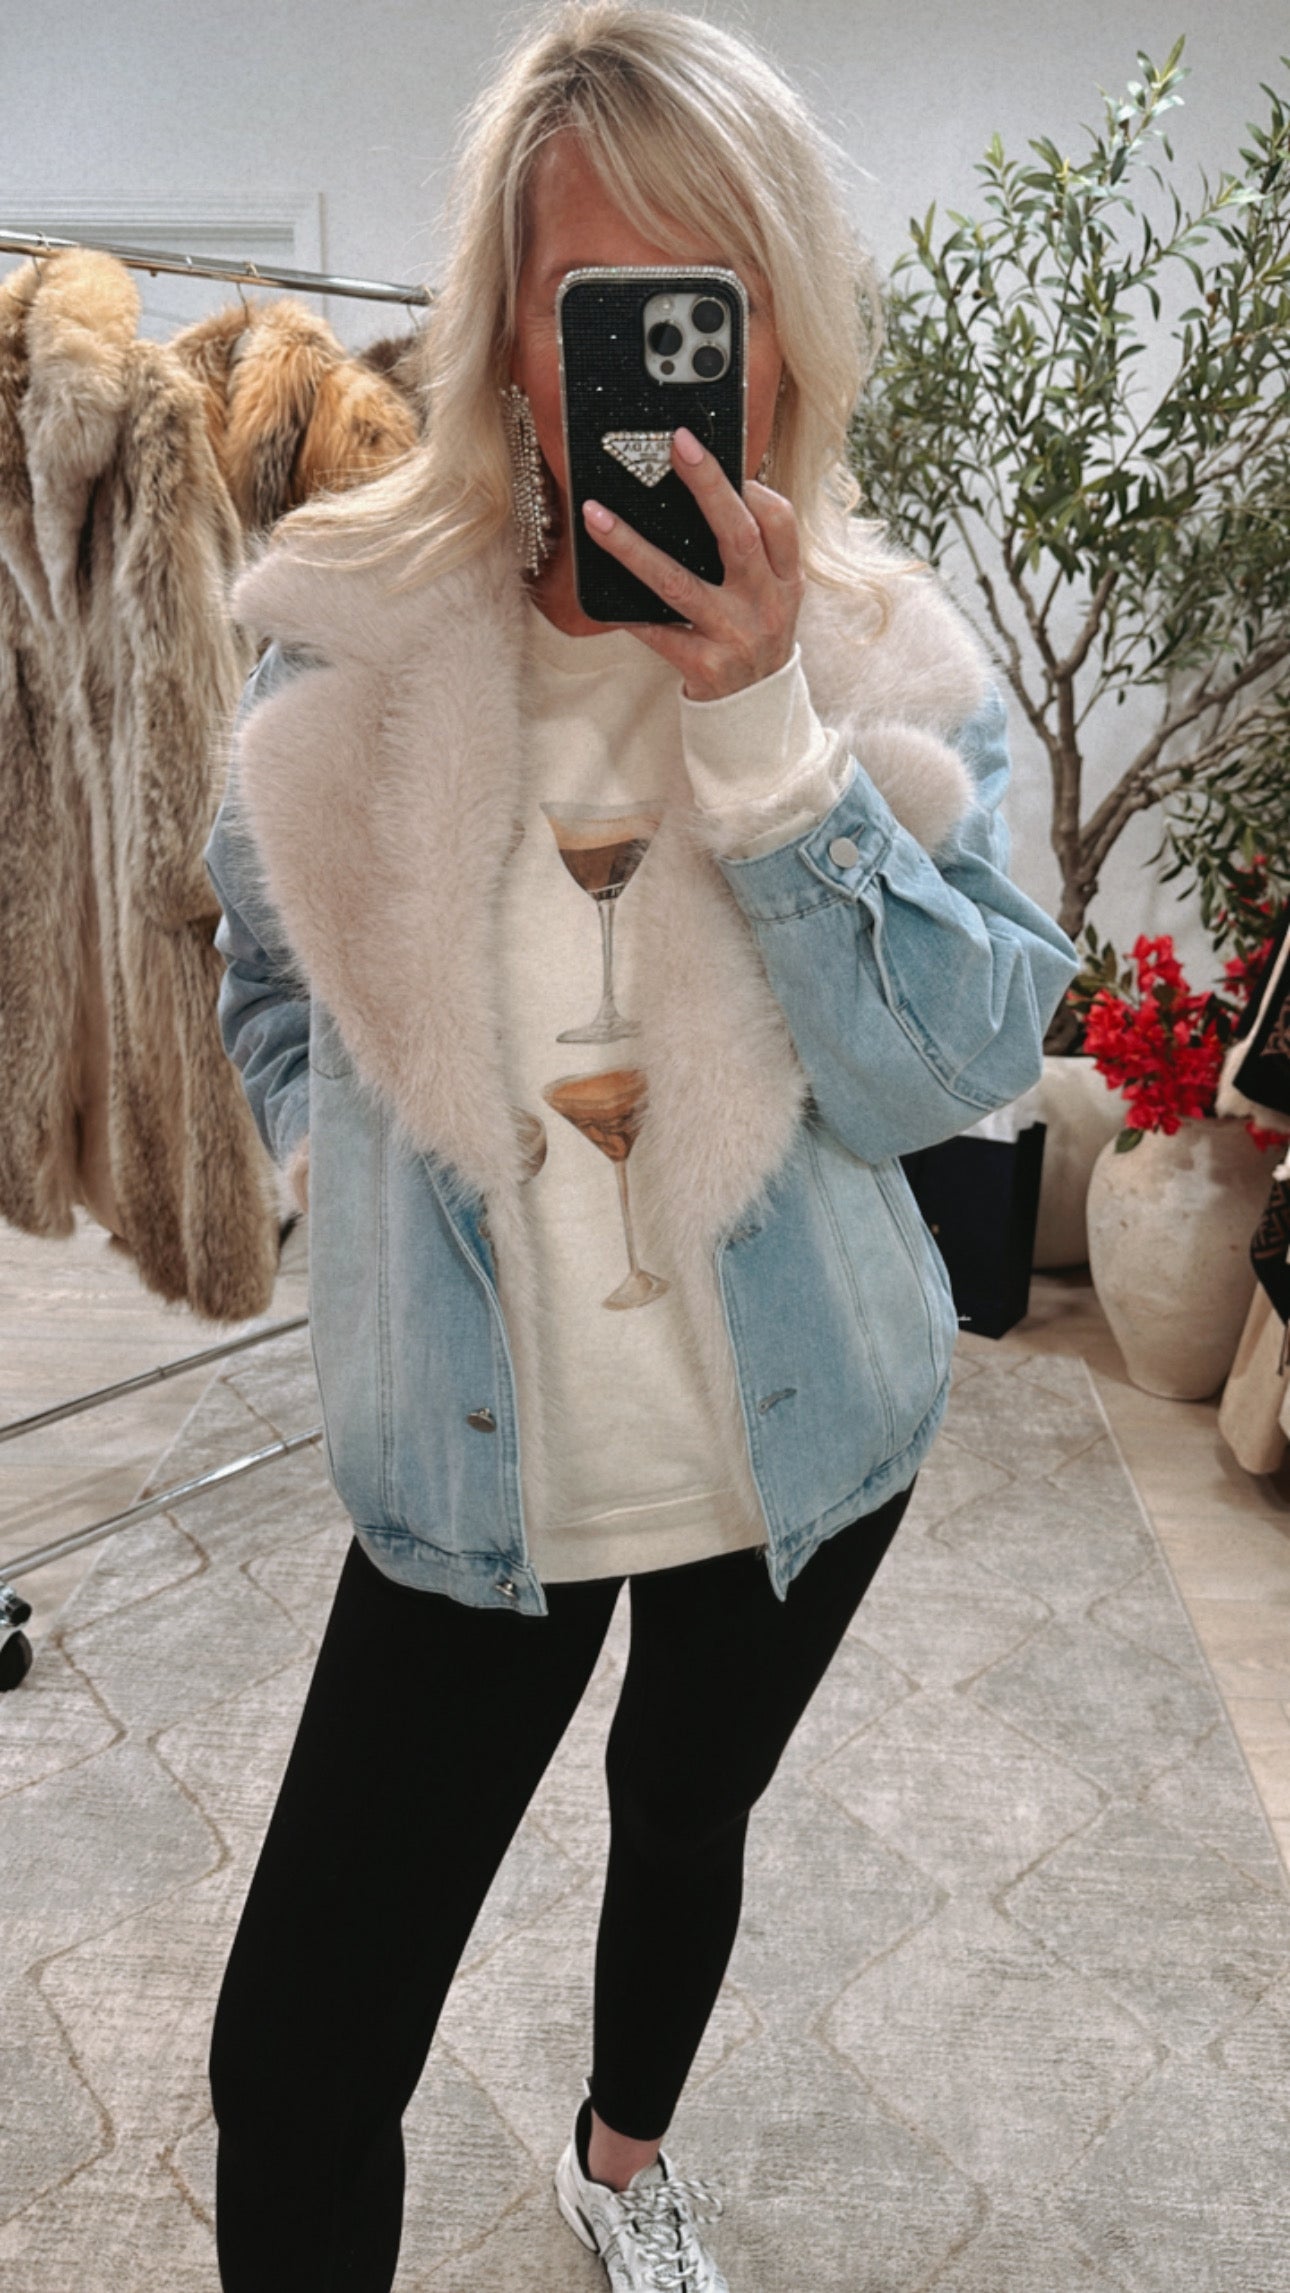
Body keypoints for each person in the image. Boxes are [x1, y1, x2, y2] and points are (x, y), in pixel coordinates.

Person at [202, 6, 1077, 2288]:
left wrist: (765, 736)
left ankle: (621, 2157)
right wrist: (334, 1184)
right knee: (293, 2063)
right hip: (468, 1468)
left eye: (713, 293)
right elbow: (268, 972)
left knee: (681, 1812)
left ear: (787, 327)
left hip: (806, 1442)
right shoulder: (343, 642)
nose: (657, 362)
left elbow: (949, 1071)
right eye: (595, 299)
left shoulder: (885, 659)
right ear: (506, 332)